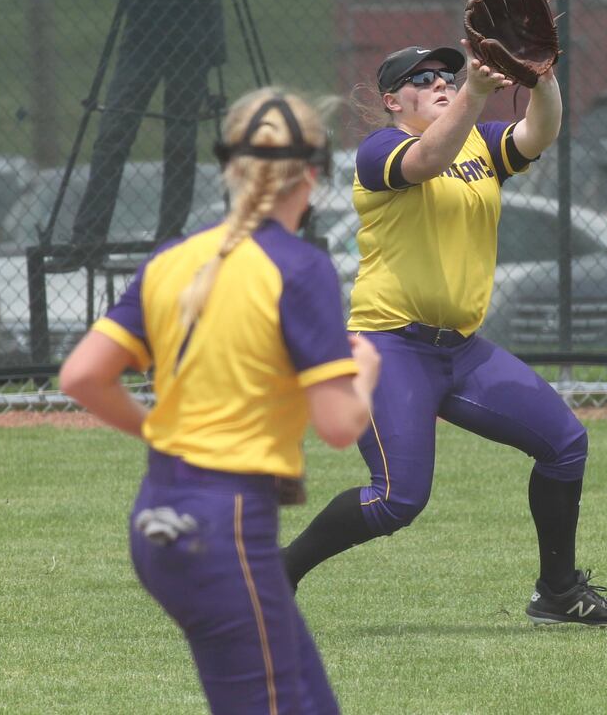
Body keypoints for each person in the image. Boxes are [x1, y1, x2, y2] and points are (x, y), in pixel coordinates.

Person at [282, 43, 607, 627]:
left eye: (447, 73)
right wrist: (474, 90)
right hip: (388, 346)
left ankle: (557, 593)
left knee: (564, 445)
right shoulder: (381, 149)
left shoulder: (477, 144)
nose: (442, 81)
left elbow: (538, 133)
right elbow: (424, 162)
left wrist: (541, 77)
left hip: (461, 351)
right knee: (398, 498)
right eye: (421, 79)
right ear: (393, 101)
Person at [59, 87, 381, 714]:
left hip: (162, 512)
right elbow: (341, 426)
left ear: (229, 168)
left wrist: (159, 431)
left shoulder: (172, 260)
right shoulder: (299, 266)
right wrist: (366, 370)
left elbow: (81, 377)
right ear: (313, 175)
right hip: (225, 524)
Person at [67, 0, 234, 261]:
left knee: (180, 138)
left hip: (192, 39)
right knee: (113, 133)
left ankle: (169, 238)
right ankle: (87, 240)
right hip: (142, 37)